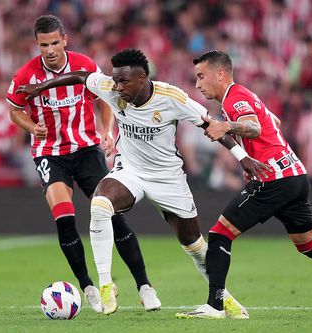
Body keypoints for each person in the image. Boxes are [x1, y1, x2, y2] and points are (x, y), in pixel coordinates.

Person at [16, 48, 269, 317]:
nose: (118, 87)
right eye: (115, 81)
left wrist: (243, 158)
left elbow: (213, 126)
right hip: (131, 171)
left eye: (124, 82)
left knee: (194, 246)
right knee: (100, 204)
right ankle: (105, 285)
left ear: (142, 78)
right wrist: (42, 85)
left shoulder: (171, 97)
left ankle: (224, 298)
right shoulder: (111, 88)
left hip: (167, 178)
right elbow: (81, 76)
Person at [177, 50, 312, 319]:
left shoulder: (235, 98)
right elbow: (273, 122)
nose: (197, 84)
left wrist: (227, 127)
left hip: (274, 178)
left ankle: (215, 306)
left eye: (201, 76)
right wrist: (252, 152)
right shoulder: (245, 94)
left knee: (220, 234)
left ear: (220, 74)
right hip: (295, 175)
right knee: (309, 244)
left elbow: (254, 128)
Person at [6, 15, 160, 314]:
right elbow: (14, 109)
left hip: (87, 150)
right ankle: (88, 286)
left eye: (54, 42)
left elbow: (105, 99)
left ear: (64, 39)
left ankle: (144, 286)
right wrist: (30, 126)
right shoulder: (26, 75)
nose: (49, 49)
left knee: (113, 216)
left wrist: (107, 130)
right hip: (50, 153)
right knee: (65, 219)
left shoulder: (85, 65)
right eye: (43, 45)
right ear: (36, 45)